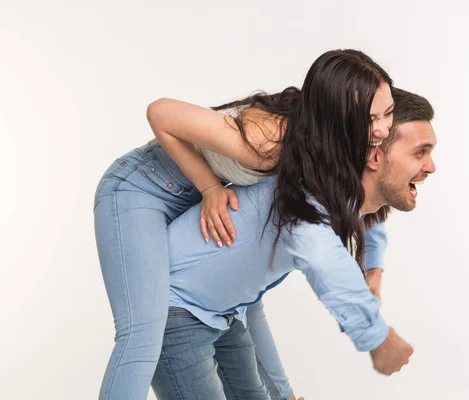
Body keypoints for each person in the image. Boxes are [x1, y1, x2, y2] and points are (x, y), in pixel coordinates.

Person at [94, 49, 394, 400]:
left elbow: (364, 200)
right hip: (141, 187)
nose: (384, 129)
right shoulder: (270, 142)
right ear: (336, 114)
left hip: (192, 197)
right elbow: (160, 112)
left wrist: (374, 271)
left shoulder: (330, 148)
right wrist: (208, 187)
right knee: (142, 333)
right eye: (371, 119)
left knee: (238, 295)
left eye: (388, 113)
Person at [149, 87, 437, 399]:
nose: (431, 166)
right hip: (175, 309)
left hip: (223, 312)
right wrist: (379, 338)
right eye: (419, 152)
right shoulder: (311, 203)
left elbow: (372, 224)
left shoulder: (342, 191)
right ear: (375, 155)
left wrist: (373, 271)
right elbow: (328, 268)